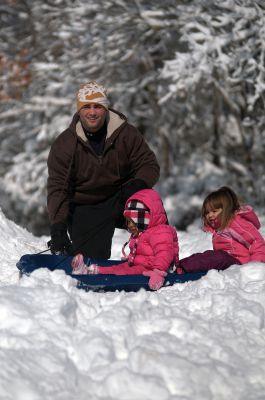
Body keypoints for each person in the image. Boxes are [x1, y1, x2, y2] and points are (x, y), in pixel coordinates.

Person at [47, 81, 160, 258]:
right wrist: (58, 226)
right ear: (79, 110)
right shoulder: (65, 144)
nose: (92, 112)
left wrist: (138, 184)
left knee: (150, 204)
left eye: (98, 106)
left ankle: (157, 256)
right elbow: (58, 188)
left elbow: (149, 164)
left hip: (123, 197)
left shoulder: (126, 133)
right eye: (87, 107)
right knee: (90, 260)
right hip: (86, 205)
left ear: (106, 109)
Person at [71, 189, 179, 290]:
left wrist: (158, 273)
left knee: (123, 271)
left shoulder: (160, 232)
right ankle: (89, 270)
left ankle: (91, 273)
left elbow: (164, 254)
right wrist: (132, 258)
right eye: (128, 221)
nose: (129, 225)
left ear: (144, 218)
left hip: (150, 270)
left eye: (132, 221)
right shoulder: (143, 232)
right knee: (116, 268)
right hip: (140, 266)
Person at [176, 186, 265, 274]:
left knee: (218, 257)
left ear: (226, 209)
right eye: (207, 212)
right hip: (229, 263)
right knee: (208, 255)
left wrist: (255, 266)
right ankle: (181, 266)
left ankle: (184, 268)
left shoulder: (235, 223)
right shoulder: (220, 228)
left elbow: (256, 242)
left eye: (214, 211)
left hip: (241, 265)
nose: (210, 215)